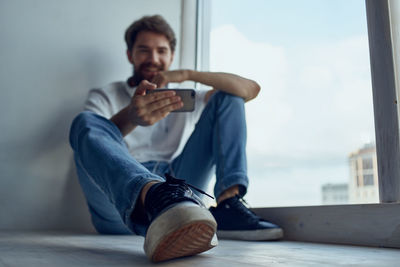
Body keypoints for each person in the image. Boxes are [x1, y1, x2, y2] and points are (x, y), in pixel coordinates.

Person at [69, 14, 283, 262]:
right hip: (117, 202)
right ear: (130, 55)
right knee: (84, 122)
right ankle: (151, 196)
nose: (154, 59)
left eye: (162, 51)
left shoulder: (184, 95)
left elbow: (250, 89)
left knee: (230, 97)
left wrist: (187, 74)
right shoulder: (105, 95)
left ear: (171, 56)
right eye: (144, 50)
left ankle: (227, 205)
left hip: (176, 190)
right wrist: (132, 116)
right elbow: (89, 142)